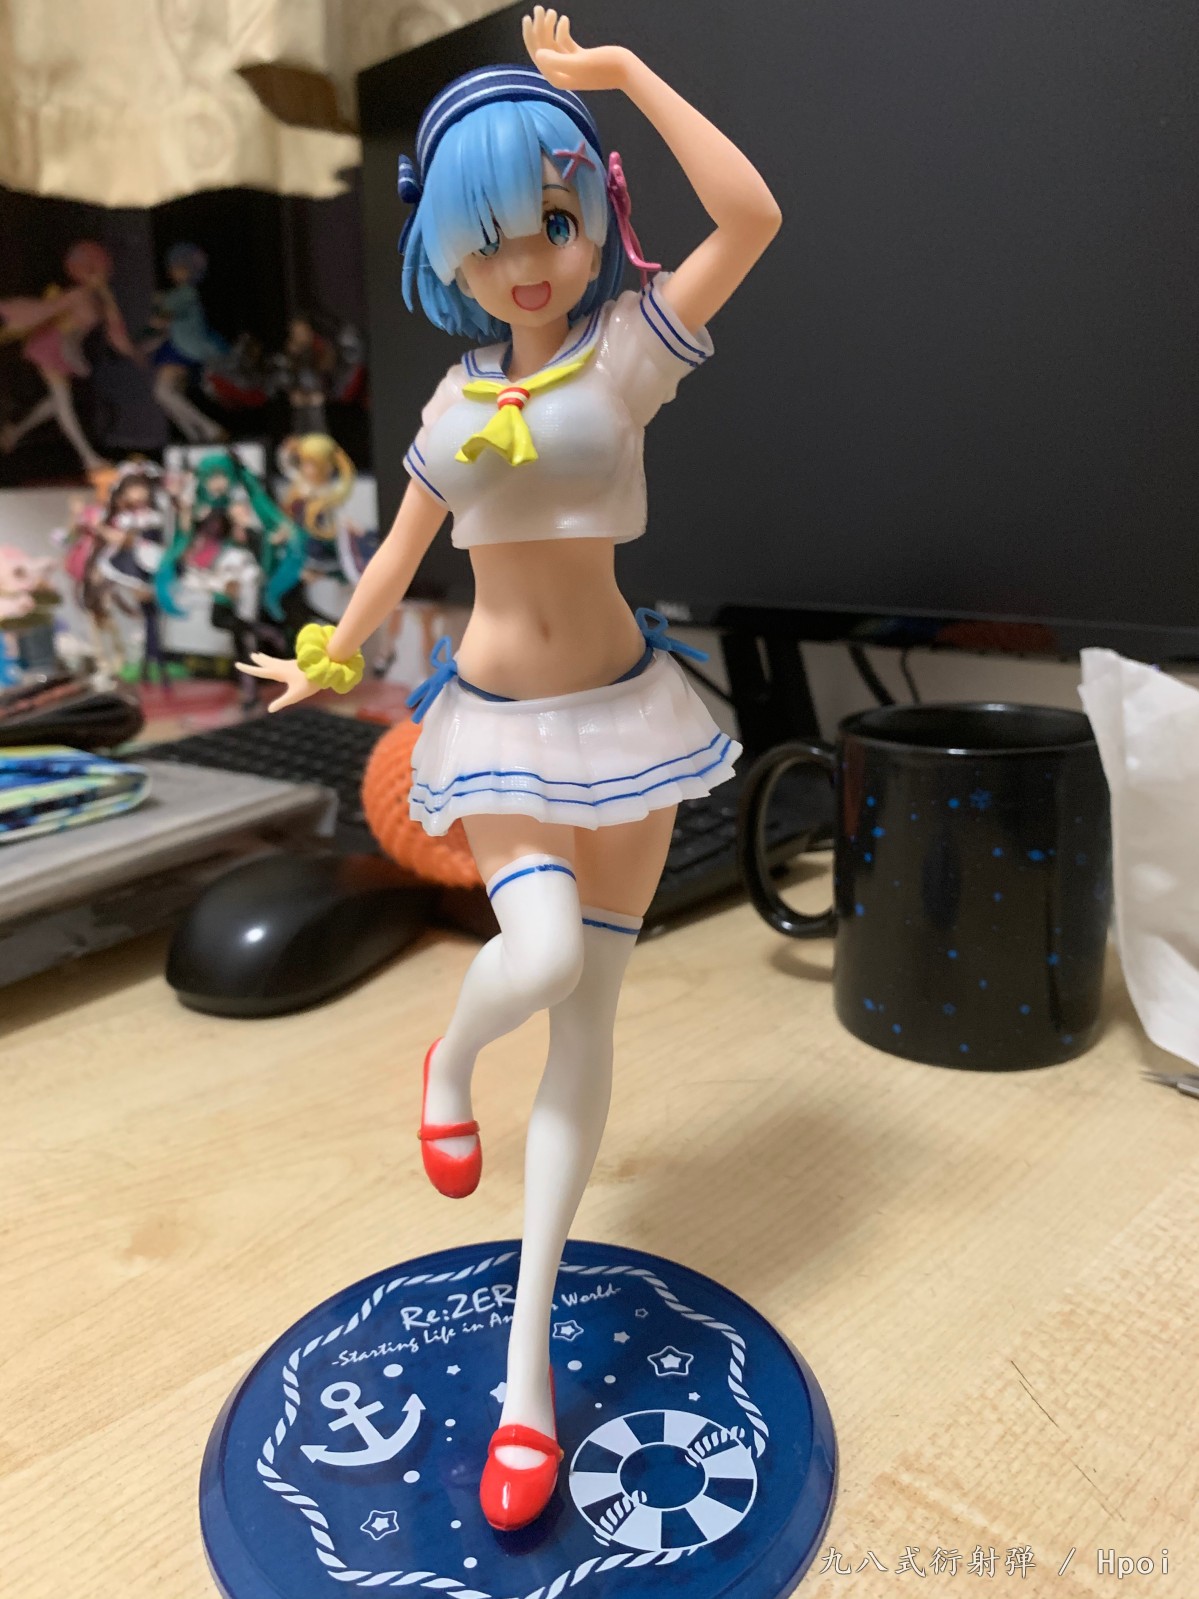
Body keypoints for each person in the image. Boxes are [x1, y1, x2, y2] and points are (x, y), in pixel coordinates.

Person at [238, 7, 780, 1533]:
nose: (526, 259)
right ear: (444, 254)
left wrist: (618, 79)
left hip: (625, 721)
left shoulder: (630, 348)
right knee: (534, 958)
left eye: (550, 218)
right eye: (487, 239)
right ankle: (447, 1059)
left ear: (593, 208)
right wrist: (331, 658)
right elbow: (394, 555)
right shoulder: (448, 407)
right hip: (495, 726)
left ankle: (526, 1374)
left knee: (590, 1020)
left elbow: (750, 215)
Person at [0, 241, 138, 474]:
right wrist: (11, 329)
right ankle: (89, 458)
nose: (98, 275)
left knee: (57, 402)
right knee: (63, 402)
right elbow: (44, 311)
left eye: (100, 270)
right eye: (92, 271)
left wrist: (106, 294)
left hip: (65, 350)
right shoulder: (76, 294)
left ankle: (14, 431)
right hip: (49, 346)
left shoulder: (98, 299)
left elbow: (115, 327)